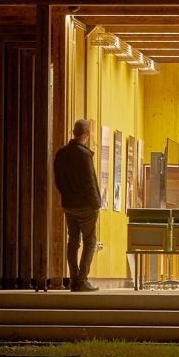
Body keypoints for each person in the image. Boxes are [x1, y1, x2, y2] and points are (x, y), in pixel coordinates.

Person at [53, 118, 102, 292]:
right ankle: (82, 279)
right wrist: (97, 203)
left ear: (74, 132)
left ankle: (73, 278)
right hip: (86, 206)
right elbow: (90, 181)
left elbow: (58, 179)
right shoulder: (84, 155)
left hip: (69, 204)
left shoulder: (61, 154)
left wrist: (66, 196)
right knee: (90, 241)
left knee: (73, 240)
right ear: (87, 134)